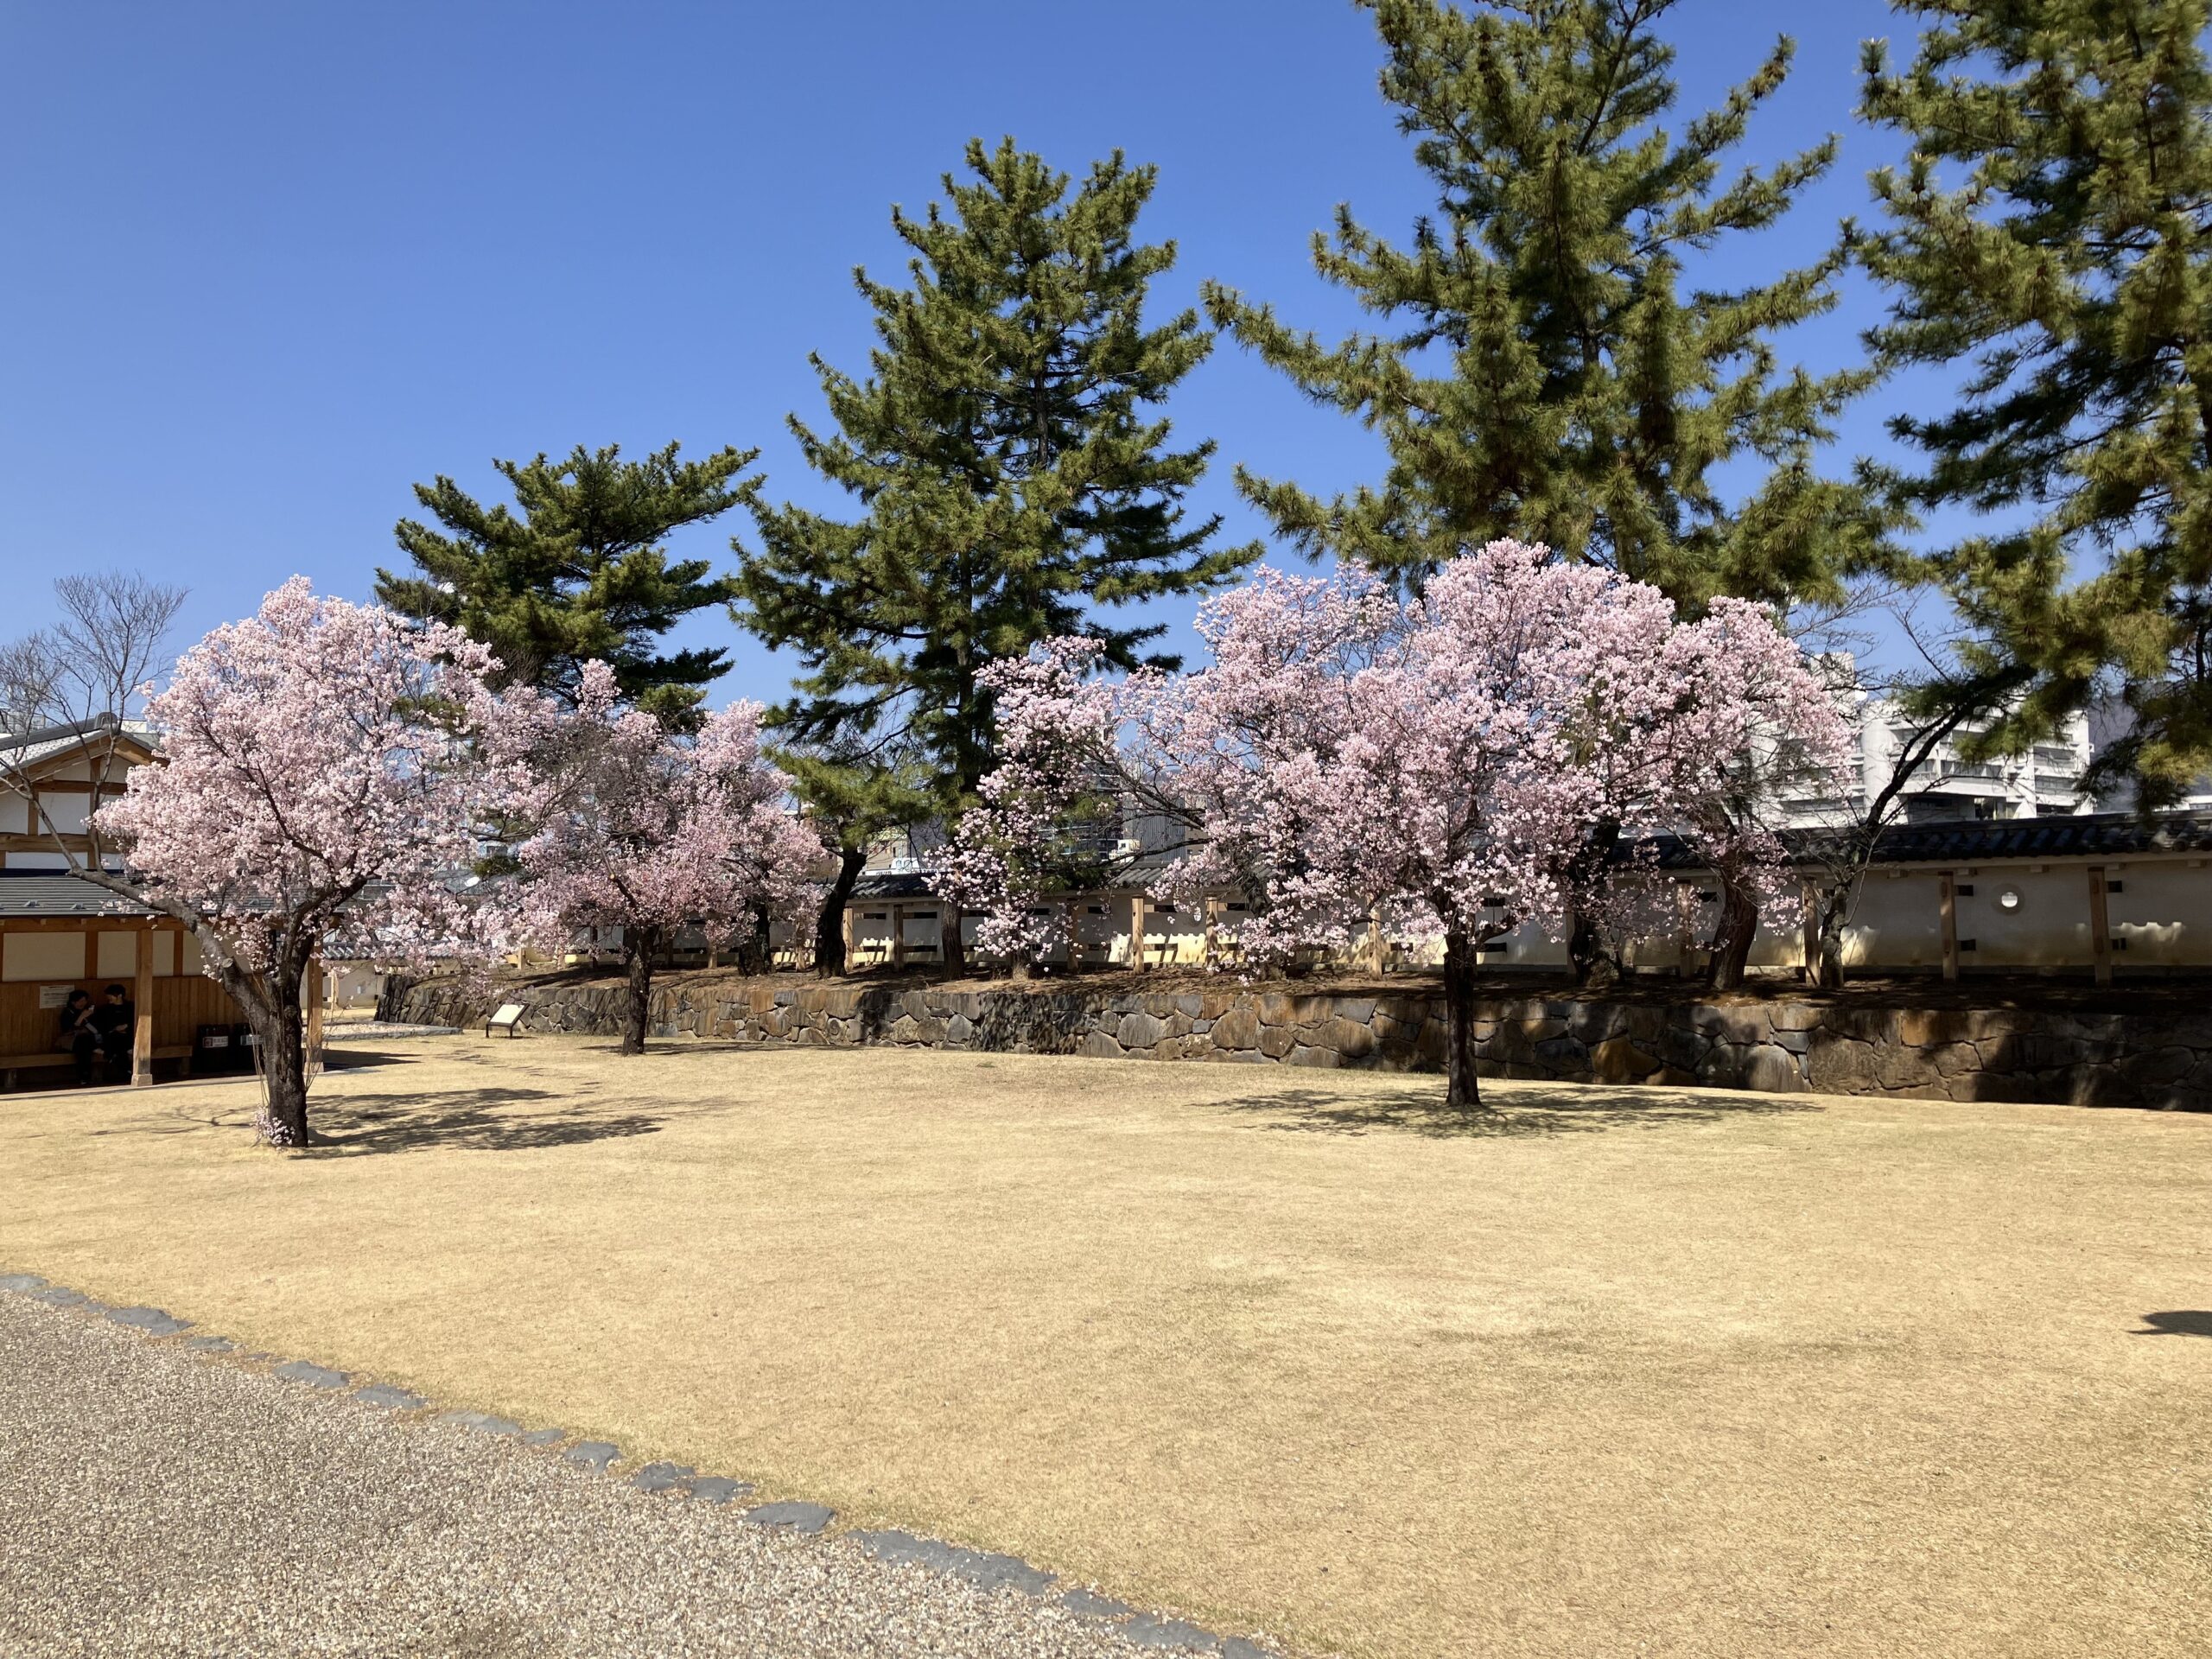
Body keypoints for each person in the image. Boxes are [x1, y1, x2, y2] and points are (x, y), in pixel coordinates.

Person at [89, 983, 136, 1082]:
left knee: (119, 1046)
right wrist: (114, 1028)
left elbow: (137, 1021)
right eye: (108, 995)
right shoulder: (104, 1009)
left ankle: (120, 1065)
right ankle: (127, 1071)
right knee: (119, 1045)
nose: (108, 997)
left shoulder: (131, 1006)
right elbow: (99, 1024)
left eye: (111, 995)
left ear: (119, 995)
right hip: (111, 1036)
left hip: (128, 1035)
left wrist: (126, 1026)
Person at [54, 989, 99, 1085]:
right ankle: (84, 1076)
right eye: (80, 1001)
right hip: (72, 1041)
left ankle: (85, 1077)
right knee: (83, 1048)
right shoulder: (68, 1012)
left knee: (85, 1047)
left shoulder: (87, 1011)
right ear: (73, 1002)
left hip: (86, 1040)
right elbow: (67, 1029)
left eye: (85, 1001)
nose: (83, 1003)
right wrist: (81, 1017)